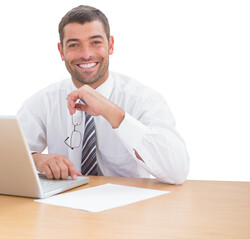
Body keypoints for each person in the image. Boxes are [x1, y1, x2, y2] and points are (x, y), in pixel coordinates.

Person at [17, 5, 189, 184]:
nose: (86, 54)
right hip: (65, 206)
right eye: (74, 45)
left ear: (111, 45)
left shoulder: (144, 99)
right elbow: (5, 154)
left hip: (128, 207)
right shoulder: (44, 101)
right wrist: (36, 160)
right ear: (61, 51)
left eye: (96, 42)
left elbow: (177, 171)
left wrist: (112, 113)